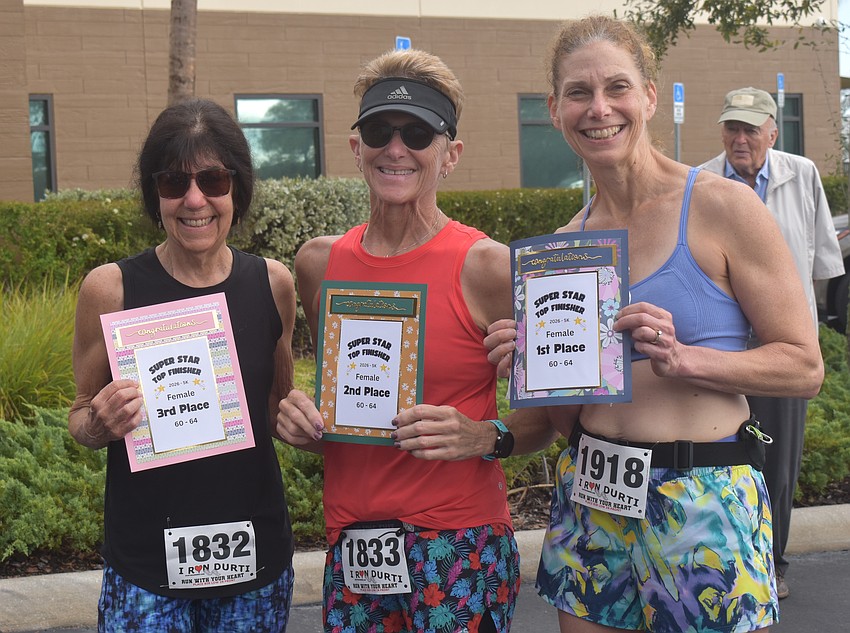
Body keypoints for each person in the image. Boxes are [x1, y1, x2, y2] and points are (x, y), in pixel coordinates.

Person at [484, 15, 824, 633]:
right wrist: (532, 366)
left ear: (648, 95)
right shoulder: (562, 249)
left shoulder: (722, 205)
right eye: (579, 93)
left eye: (617, 87)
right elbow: (569, 419)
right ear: (555, 108)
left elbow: (803, 365)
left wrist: (688, 358)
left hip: (702, 496)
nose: (599, 108)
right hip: (591, 493)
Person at [276, 49, 521, 633]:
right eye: (379, 131)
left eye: (417, 133)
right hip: (354, 548)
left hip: (457, 543)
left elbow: (562, 413)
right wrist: (301, 425)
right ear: (356, 146)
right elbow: (348, 425)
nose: (396, 148)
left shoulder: (488, 267)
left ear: (450, 155)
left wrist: (488, 435)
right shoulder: (318, 263)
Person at [68, 98, 297, 631]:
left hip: (253, 561)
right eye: (174, 182)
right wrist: (99, 424)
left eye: (214, 180)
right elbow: (80, 416)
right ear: (156, 195)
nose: (195, 200)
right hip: (146, 565)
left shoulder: (272, 282)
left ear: (236, 187)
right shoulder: (111, 289)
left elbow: (276, 409)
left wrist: (307, 419)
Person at [700, 86, 845, 599]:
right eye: (732, 128)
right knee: (731, 451)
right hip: (725, 345)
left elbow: (822, 257)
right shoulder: (700, 182)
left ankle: (772, 562)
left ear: (772, 131)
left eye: (750, 129)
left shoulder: (800, 174)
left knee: (778, 460)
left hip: (783, 343)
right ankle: (729, 556)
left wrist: (812, 337)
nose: (740, 139)